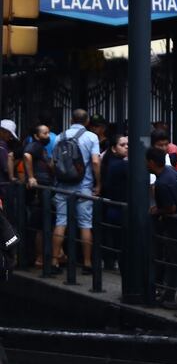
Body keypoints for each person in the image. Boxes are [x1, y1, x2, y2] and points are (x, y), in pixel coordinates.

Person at [51, 109, 101, 273]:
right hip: (83, 186)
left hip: (62, 185)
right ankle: (87, 264)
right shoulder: (91, 137)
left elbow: (53, 163)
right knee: (85, 224)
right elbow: (95, 162)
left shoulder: (60, 136)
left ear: (72, 119)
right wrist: (98, 183)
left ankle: (54, 261)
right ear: (87, 122)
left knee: (60, 221)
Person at [145, 147, 177, 309]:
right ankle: (171, 296)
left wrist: (156, 210)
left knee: (174, 262)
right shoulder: (170, 172)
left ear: (152, 163)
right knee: (175, 262)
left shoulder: (161, 183)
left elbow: (171, 208)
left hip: (173, 228)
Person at [23, 124, 53, 268]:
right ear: (36, 136)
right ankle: (38, 258)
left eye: (48, 132)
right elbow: (26, 155)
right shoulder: (35, 145)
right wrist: (31, 177)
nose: (48, 136)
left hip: (42, 190)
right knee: (38, 225)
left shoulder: (41, 148)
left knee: (40, 224)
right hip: (38, 191)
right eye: (45, 133)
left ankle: (38, 258)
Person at [99, 135, 129, 272]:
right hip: (120, 207)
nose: (126, 147)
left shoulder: (108, 161)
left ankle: (110, 261)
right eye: (122, 145)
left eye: (127, 144)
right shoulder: (121, 165)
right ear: (114, 148)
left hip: (112, 205)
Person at [0, 119, 18, 202]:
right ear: (3, 131)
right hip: (3, 187)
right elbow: (6, 168)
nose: (10, 137)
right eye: (9, 134)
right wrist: (15, 161)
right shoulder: (2, 147)